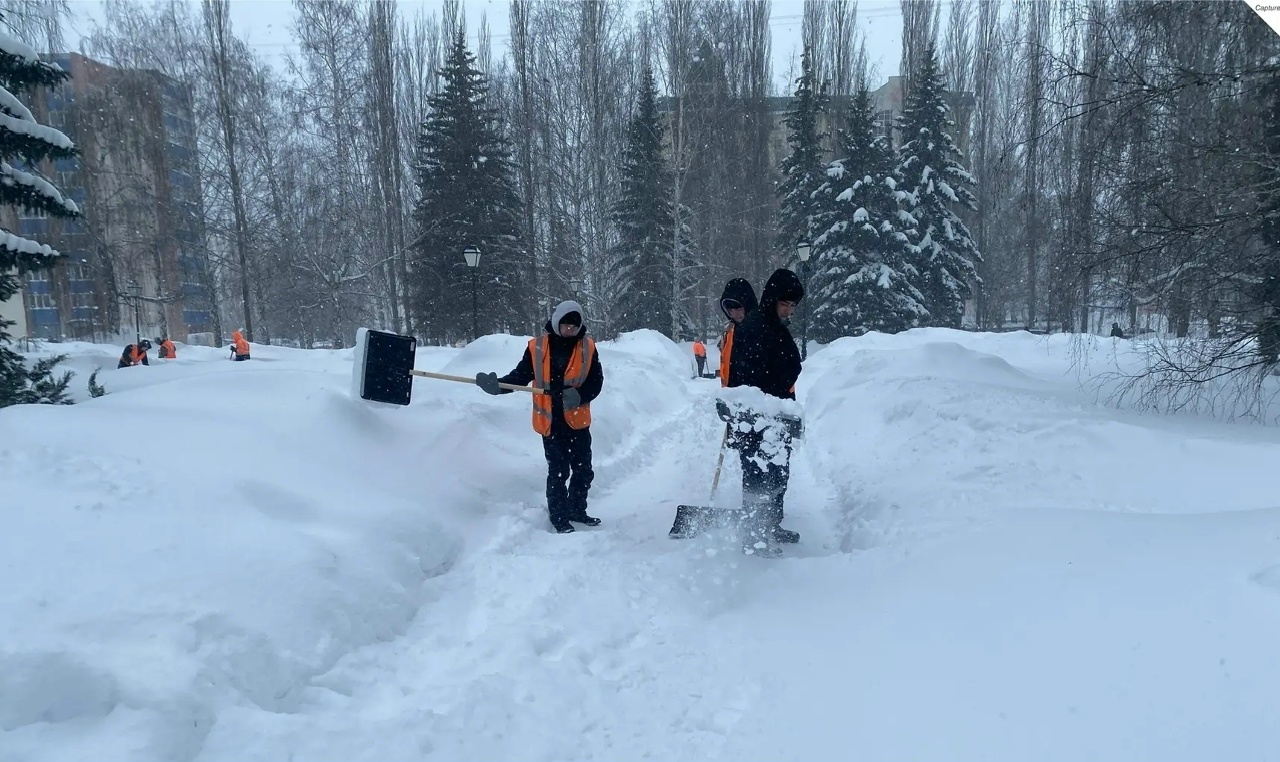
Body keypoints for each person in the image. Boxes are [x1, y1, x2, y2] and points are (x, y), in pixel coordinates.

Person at [476, 300, 605, 534]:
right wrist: (499, 386)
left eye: (575, 327)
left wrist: (580, 395)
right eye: (566, 326)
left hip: (577, 421)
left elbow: (596, 382)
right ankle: (559, 517)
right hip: (551, 423)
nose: (570, 331)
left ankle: (577, 510)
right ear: (557, 323)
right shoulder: (538, 347)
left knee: (583, 470)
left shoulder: (587, 347)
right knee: (558, 471)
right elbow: (521, 375)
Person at [727, 268, 805, 555]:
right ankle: (754, 537)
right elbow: (749, 377)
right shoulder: (756, 326)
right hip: (756, 420)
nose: (789, 310)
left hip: (774, 418)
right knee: (758, 478)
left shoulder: (773, 326)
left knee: (777, 475)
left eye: (793, 305)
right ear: (772, 299)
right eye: (785, 303)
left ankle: (770, 527)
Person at [717, 277, 758, 387]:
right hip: (732, 397)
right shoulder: (729, 333)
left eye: (738, 309)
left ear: (748, 306)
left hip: (757, 399)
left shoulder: (762, 332)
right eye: (730, 310)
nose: (735, 314)